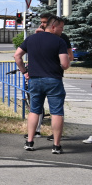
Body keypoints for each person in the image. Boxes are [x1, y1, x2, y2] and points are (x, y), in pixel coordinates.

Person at [14, 14, 71, 153]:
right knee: (56, 112)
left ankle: (30, 142)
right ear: (53, 27)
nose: (62, 30)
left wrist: (24, 71)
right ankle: (56, 146)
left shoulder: (31, 39)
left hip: (34, 80)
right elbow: (65, 64)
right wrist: (62, 64)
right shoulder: (59, 42)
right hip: (53, 80)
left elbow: (17, 56)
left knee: (34, 110)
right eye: (61, 27)